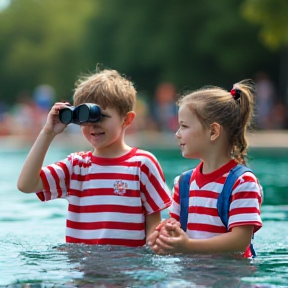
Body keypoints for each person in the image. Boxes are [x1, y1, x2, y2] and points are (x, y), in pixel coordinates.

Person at [17, 69, 172, 247]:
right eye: (85, 118)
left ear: (127, 119)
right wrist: (47, 133)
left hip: (125, 271)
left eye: (101, 117)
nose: (93, 125)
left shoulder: (142, 164)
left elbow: (154, 224)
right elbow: (26, 185)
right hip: (83, 270)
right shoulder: (75, 166)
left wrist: (158, 242)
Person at [147, 80, 263, 257]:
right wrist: (164, 238)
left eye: (184, 126)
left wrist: (189, 246)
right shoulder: (183, 183)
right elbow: (177, 229)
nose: (177, 133)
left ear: (213, 131)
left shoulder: (242, 182)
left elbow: (240, 241)